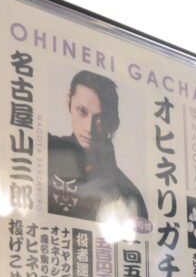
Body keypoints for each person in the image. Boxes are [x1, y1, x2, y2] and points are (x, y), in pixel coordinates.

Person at [47, 70, 148, 224]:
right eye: (82, 111)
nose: (89, 127)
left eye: (99, 119)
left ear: (113, 123)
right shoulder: (46, 151)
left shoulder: (128, 195)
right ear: (68, 102)